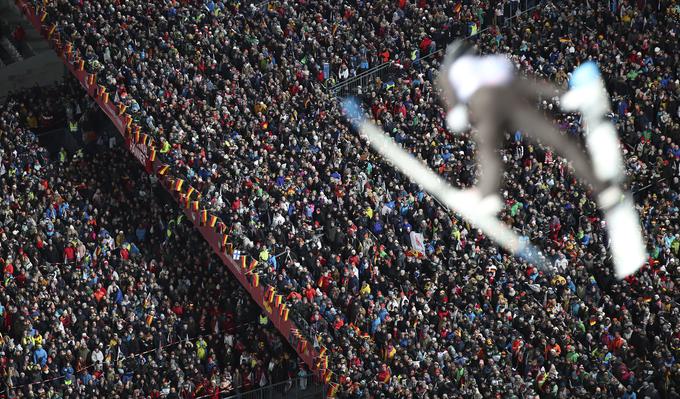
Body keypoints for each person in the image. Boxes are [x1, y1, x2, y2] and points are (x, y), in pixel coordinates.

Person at [438, 40, 608, 213]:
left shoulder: (452, 74)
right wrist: (561, 95)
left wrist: (456, 112)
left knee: (488, 150)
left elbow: (454, 106)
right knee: (556, 140)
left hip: (490, 105)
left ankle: (487, 194)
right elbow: (523, 84)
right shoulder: (484, 64)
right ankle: (601, 185)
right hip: (510, 101)